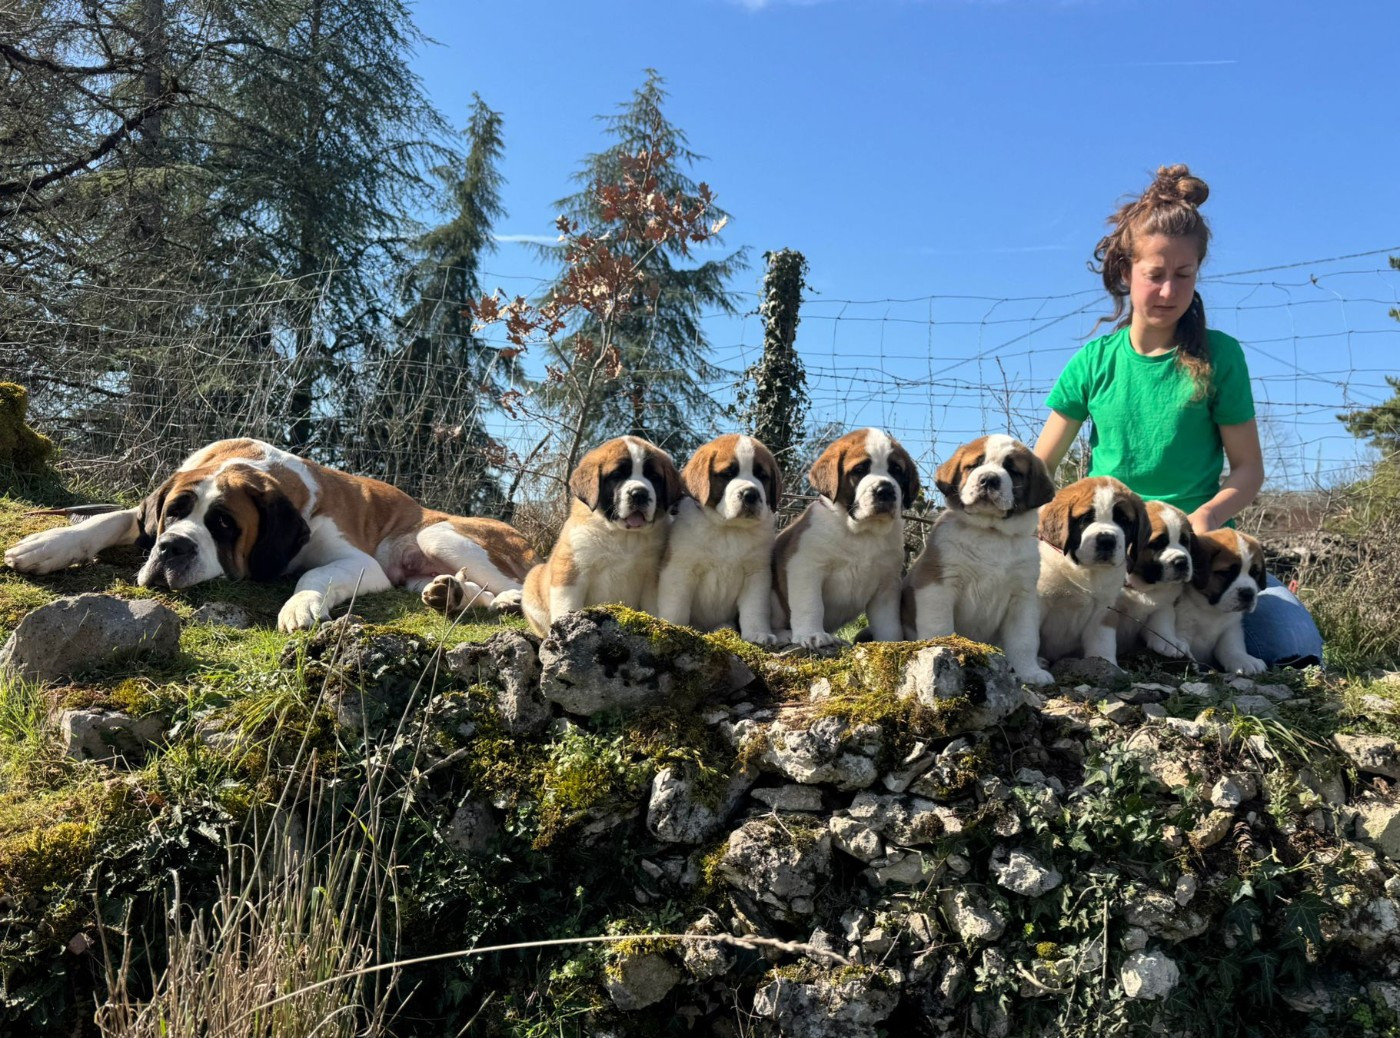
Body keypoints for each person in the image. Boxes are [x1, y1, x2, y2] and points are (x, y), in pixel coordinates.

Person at [1032, 164, 1322, 668]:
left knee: (1291, 643)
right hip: (1116, 554)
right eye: (1155, 275)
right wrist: (1052, 531)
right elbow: (1041, 468)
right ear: (1126, 272)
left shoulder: (1221, 356)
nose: (1168, 291)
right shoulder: (1094, 362)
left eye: (1183, 275)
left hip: (1202, 561)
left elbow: (1248, 470)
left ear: (1198, 274)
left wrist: (1202, 523)